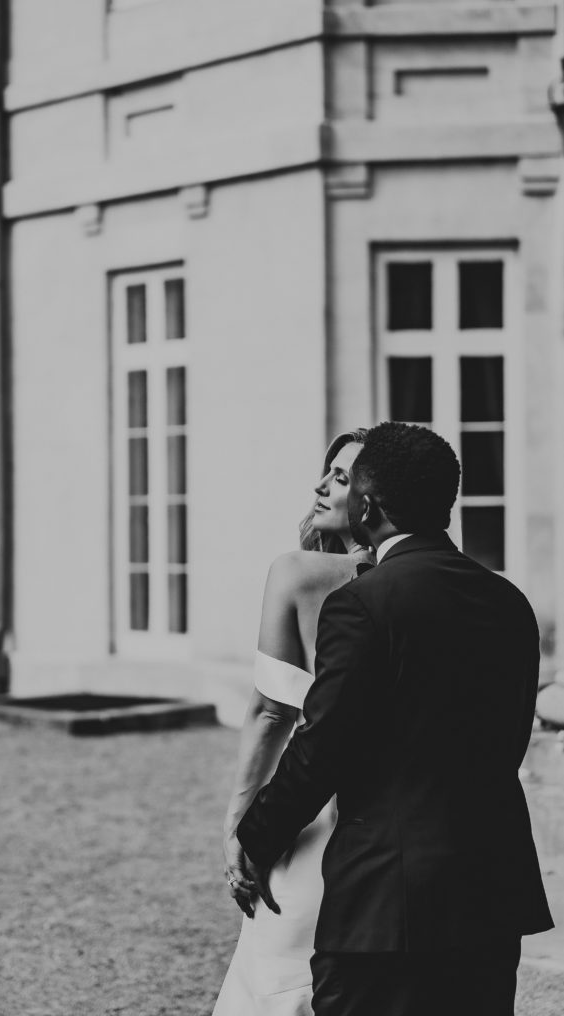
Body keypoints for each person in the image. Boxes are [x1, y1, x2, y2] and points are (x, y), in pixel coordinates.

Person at [237, 421, 554, 1016]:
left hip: (384, 900)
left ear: (367, 505)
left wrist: (254, 837)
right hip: (491, 886)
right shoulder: (509, 601)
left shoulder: (361, 603)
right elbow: (512, 739)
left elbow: (321, 748)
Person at [213, 429, 374, 1015]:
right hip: (386, 832)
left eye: (340, 476)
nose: (320, 485)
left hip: (311, 819)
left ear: (373, 496)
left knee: (279, 988)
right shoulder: (421, 586)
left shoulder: (298, 573)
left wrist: (239, 822)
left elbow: (270, 711)